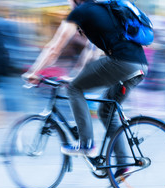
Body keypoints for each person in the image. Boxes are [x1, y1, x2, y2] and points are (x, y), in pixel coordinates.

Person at [23, 0, 148, 177]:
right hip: (140, 66)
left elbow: (54, 48)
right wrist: (76, 74)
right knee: (106, 111)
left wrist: (34, 72)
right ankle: (123, 165)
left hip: (121, 63)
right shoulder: (101, 10)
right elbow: (91, 51)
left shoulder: (81, 12)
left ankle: (86, 144)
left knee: (74, 89)